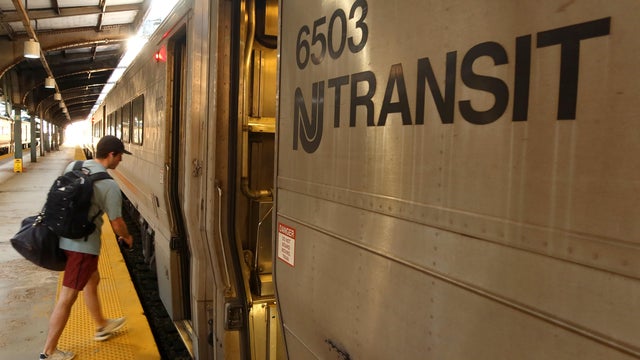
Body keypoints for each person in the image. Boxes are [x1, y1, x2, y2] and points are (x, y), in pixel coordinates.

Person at [39, 135, 134, 360]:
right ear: (111, 155)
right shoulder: (109, 185)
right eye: (120, 156)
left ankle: (101, 326)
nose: (121, 160)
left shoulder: (75, 166)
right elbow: (117, 222)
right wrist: (127, 237)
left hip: (63, 238)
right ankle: (47, 352)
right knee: (67, 298)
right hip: (82, 247)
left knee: (93, 279)